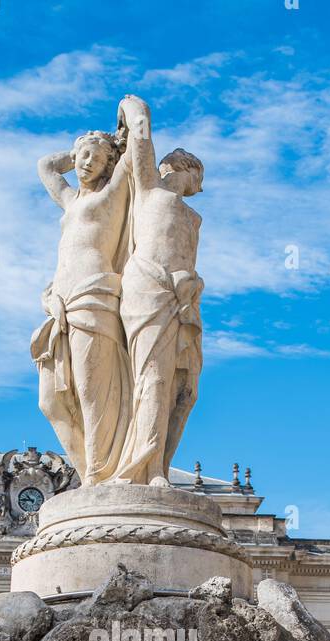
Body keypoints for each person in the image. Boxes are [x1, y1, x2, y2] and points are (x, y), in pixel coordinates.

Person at [31, 129, 133, 484]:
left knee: (91, 392)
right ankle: (92, 470)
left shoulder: (112, 195)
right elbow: (45, 165)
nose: (85, 164)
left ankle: (98, 474)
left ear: (110, 165)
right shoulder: (71, 201)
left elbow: (136, 148)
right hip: (59, 303)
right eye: (81, 157)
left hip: (94, 295)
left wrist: (120, 135)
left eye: (95, 158)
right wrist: (78, 150)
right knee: (51, 400)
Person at [115, 95, 205, 484]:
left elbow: (189, 260)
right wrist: (130, 107)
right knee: (152, 378)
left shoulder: (193, 216)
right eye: (197, 179)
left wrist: (193, 284)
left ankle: (160, 464)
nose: (198, 189)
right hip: (148, 288)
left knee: (183, 392)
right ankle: (145, 467)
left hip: (184, 302)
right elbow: (140, 133)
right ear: (184, 168)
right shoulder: (149, 188)